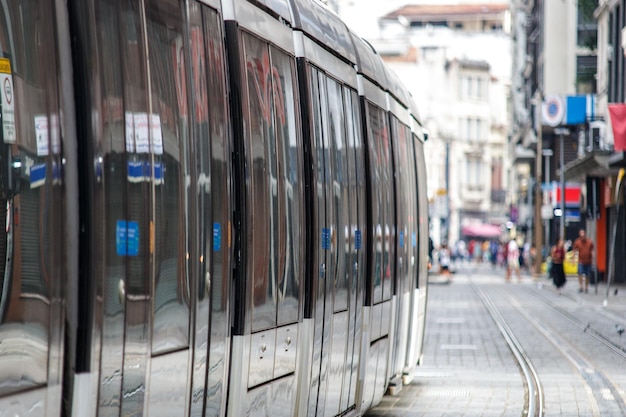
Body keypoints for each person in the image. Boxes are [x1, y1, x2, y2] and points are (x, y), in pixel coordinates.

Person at [573, 229, 594, 293]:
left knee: (588, 274)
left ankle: (586, 287)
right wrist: (574, 259)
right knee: (580, 273)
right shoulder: (577, 242)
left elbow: (592, 250)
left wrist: (593, 255)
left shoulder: (589, 242)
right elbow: (575, 251)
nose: (582, 237)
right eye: (581, 236)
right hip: (581, 261)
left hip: (588, 261)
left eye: (583, 235)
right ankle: (581, 286)